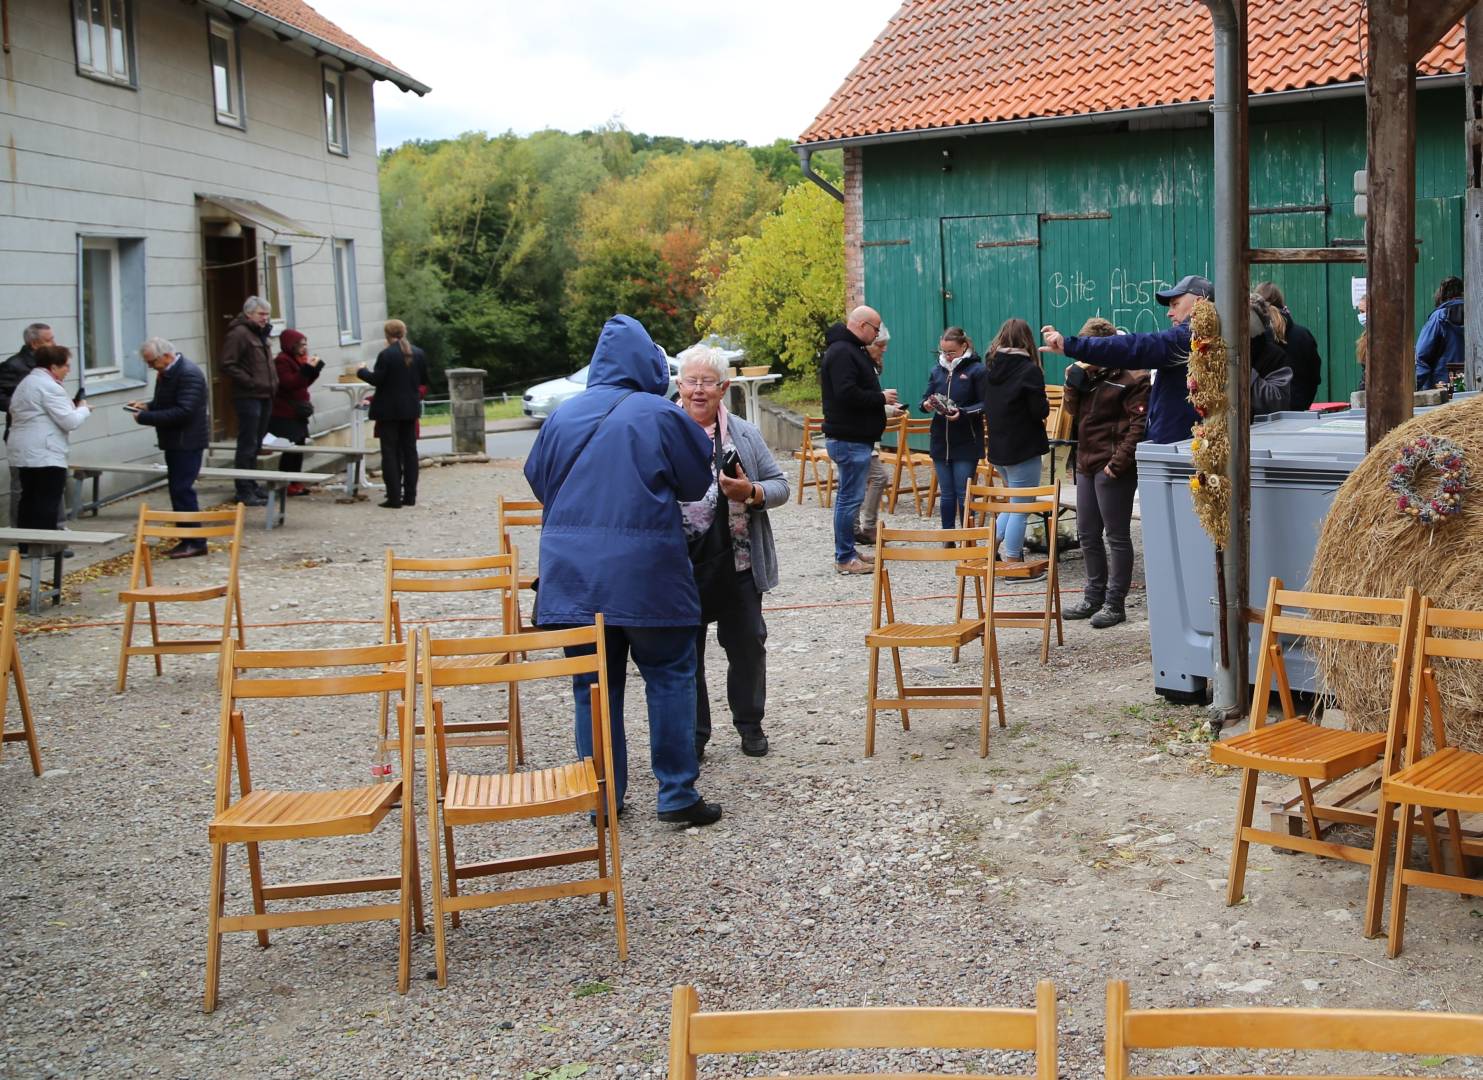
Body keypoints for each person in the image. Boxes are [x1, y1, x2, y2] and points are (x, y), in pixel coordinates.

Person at [524, 314, 722, 828]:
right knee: (671, 677)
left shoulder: (561, 418)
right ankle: (677, 794)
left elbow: (539, 482)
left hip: (573, 580)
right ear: (649, 364)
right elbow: (695, 481)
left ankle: (602, 796)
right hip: (648, 576)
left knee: (593, 686)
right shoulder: (660, 414)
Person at [676, 347, 788, 761]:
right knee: (686, 652)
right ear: (679, 385)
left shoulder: (744, 433)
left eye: (708, 382)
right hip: (681, 566)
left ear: (724, 388)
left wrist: (752, 492)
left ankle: (750, 723)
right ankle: (695, 734)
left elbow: (781, 486)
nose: (699, 390)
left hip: (739, 561)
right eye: (692, 381)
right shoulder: (663, 430)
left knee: (747, 644)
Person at [1040, 274, 1209, 444]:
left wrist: (1070, 345)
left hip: (1176, 448)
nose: (1169, 313)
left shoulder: (1187, 338)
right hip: (1179, 445)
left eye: (1175, 304)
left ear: (1199, 303)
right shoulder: (1204, 338)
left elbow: (1137, 347)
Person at [1061, 318, 1149, 629]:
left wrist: (1118, 463)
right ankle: (1093, 596)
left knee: (1117, 536)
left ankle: (1115, 603)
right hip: (1086, 461)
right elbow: (1073, 413)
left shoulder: (1132, 377)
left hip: (1112, 465)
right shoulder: (1089, 374)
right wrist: (1073, 383)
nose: (1083, 358)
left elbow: (1139, 426)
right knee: (1087, 533)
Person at [820, 305, 898, 574]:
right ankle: (844, 556)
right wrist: (880, 398)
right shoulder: (843, 351)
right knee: (848, 500)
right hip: (848, 437)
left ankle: (849, 551)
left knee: (850, 497)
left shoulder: (849, 349)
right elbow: (846, 393)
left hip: (854, 437)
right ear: (863, 325)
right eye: (876, 329)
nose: (877, 335)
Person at [127, 338, 210, 558]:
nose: (151, 366)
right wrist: (148, 406)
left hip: (187, 441)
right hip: (177, 440)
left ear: (166, 356)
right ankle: (188, 538)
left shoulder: (188, 374)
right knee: (178, 489)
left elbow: (183, 411)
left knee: (182, 490)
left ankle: (195, 541)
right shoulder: (169, 372)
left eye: (152, 361)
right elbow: (168, 402)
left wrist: (146, 417)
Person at [980, 319, 1049, 565]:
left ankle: (990, 551)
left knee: (1013, 504)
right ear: (1027, 341)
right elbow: (1039, 411)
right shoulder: (1028, 369)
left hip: (999, 448)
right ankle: (1012, 562)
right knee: (1021, 508)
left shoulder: (990, 368)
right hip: (1023, 448)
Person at [9, 345, 89, 545]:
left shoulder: (26, 382)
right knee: (47, 500)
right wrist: (83, 409)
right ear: (53, 367)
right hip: (45, 452)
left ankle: (26, 545)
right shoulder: (50, 386)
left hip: (23, 450)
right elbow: (70, 421)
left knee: (28, 498)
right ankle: (45, 547)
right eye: (66, 366)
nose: (68, 370)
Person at [918, 326, 985, 531]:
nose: (947, 356)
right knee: (946, 493)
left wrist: (963, 413)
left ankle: (967, 538)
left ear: (964, 346)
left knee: (963, 493)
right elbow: (924, 398)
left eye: (951, 352)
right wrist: (926, 405)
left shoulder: (977, 370)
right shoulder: (936, 370)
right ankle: (948, 538)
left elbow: (986, 403)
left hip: (966, 441)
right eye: (944, 352)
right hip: (940, 441)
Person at [357, 320, 428, 509]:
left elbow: (377, 380)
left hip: (388, 410)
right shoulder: (418, 353)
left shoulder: (386, 355)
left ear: (387, 334)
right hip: (410, 409)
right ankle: (410, 496)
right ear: (404, 332)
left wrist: (361, 371)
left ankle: (394, 497)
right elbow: (423, 380)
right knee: (410, 452)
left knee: (390, 453)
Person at [1, 323, 65, 529]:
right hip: (25, 435)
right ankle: (24, 534)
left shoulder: (48, 365)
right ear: (34, 343)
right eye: (49, 340)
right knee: (24, 490)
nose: (54, 343)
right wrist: (19, 407)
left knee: (51, 487)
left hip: (49, 435)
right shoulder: (15, 365)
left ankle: (55, 528)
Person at [219, 296, 277, 507]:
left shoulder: (261, 334)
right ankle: (243, 489)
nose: (265, 318)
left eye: (267, 314)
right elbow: (227, 363)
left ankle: (251, 483)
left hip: (264, 394)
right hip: (249, 396)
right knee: (247, 443)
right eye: (261, 314)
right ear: (248, 314)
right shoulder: (239, 334)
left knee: (256, 443)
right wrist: (250, 382)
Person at [853, 324, 905, 545]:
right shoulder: (859, 365)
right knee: (870, 479)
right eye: (881, 345)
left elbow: (868, 402)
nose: (884, 350)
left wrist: (891, 409)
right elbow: (860, 400)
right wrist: (885, 401)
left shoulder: (870, 365)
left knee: (858, 483)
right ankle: (864, 528)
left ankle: (859, 528)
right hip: (855, 434)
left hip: (864, 434)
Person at [269, 329, 324, 496]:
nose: (304, 348)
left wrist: (315, 369)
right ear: (291, 345)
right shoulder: (282, 361)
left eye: (305, 344)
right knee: (290, 449)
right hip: (285, 412)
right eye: (301, 344)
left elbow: (304, 383)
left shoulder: (296, 360)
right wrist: (307, 368)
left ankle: (296, 481)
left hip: (298, 411)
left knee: (299, 447)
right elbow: (290, 383)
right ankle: (286, 483)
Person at [1254, 282, 1322, 409]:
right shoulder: (1303, 334)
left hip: (1262, 413)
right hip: (1298, 409)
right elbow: (1315, 377)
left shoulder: (1255, 336)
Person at [1247, 294, 1294, 415]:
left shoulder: (1274, 356)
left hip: (1261, 430)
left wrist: (1241, 370)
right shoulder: (1214, 352)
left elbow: (1278, 402)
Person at [1415, 276, 1464, 391]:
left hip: (1443, 389)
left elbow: (1422, 356)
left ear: (1441, 295)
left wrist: (1414, 387)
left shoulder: (1439, 317)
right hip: (1475, 386)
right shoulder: (1476, 315)